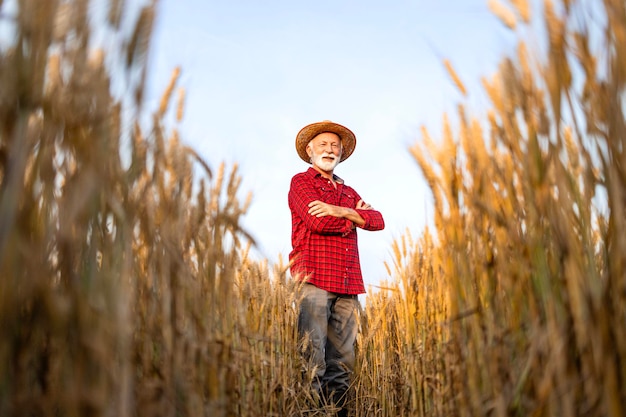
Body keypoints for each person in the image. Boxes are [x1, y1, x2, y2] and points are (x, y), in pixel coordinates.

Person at [288, 120, 385, 416]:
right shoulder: (301, 183)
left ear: (341, 152)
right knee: (312, 360)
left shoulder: (348, 191)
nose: (329, 150)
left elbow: (379, 221)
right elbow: (318, 222)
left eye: (334, 146)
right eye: (323, 145)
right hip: (314, 280)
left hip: (348, 284)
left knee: (342, 365)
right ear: (309, 150)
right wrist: (356, 218)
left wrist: (340, 210)